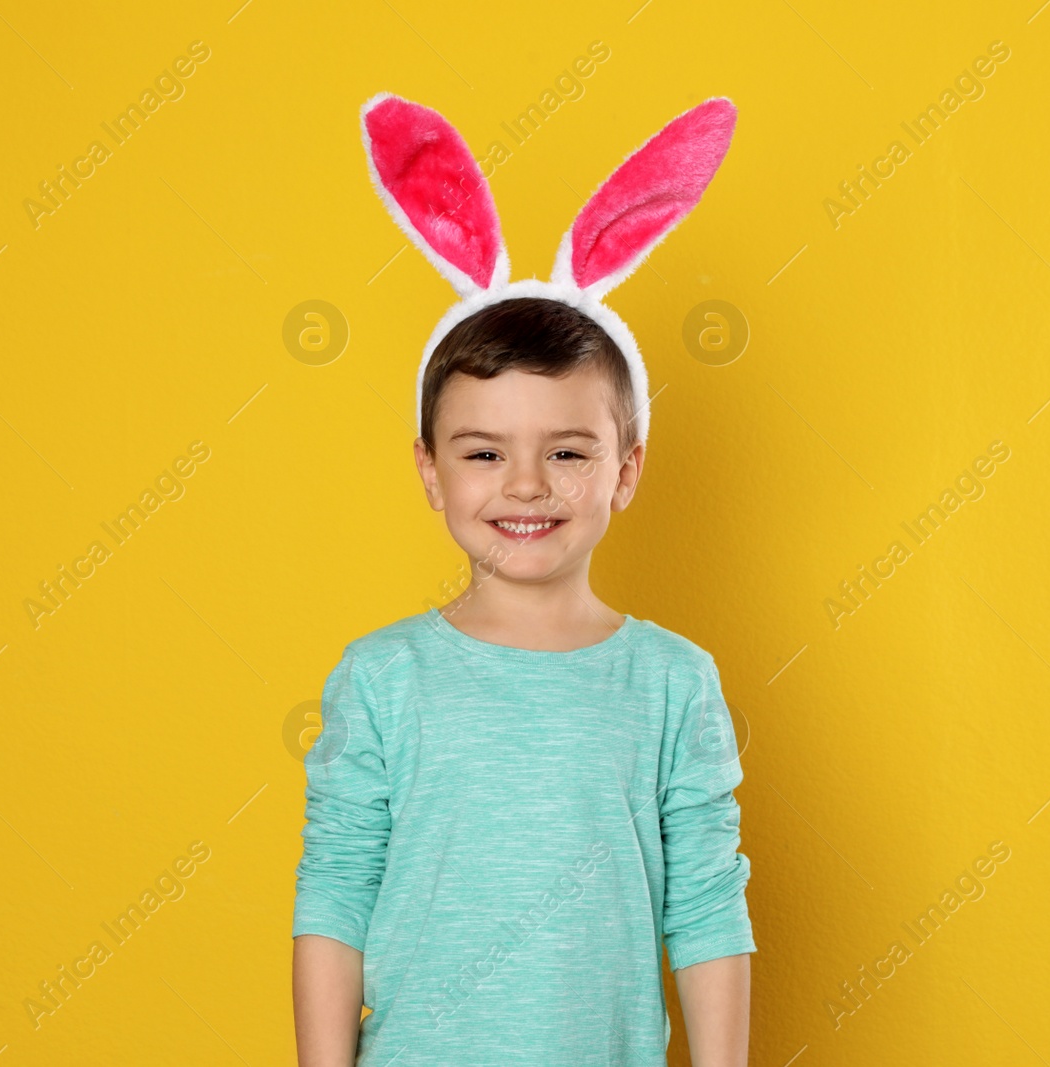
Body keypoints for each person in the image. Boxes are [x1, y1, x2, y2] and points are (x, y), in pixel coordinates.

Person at [292, 92, 753, 1066]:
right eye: (483, 452)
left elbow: (707, 905)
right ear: (429, 468)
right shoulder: (381, 679)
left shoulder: (674, 683)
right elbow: (335, 895)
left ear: (626, 469)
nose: (527, 485)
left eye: (568, 452)